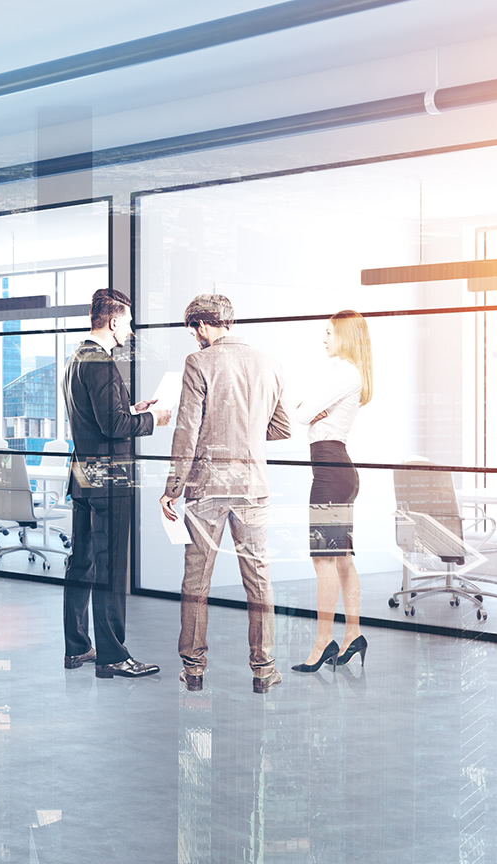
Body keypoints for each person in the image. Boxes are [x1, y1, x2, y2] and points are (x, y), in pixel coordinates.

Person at [158, 294, 290, 694]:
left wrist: (171, 489)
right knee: (259, 579)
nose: (194, 337)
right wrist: (245, 434)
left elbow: (186, 433)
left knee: (197, 579)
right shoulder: (268, 361)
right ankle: (264, 669)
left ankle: (194, 669)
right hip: (253, 488)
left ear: (201, 325)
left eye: (193, 329)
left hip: (207, 489)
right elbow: (282, 427)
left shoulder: (199, 363)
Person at [62, 288, 168, 679]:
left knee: (82, 563)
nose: (131, 329)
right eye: (128, 321)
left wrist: (131, 408)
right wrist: (153, 420)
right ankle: (112, 656)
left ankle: (77, 649)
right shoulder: (103, 363)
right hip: (109, 478)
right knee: (109, 567)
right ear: (113, 321)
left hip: (83, 474)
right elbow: (115, 426)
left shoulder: (76, 358)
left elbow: (99, 417)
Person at [291, 310, 374, 673]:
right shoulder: (348, 372)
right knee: (340, 559)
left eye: (328, 332)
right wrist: (309, 412)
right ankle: (352, 635)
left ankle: (322, 643)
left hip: (330, 473)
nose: (323, 338)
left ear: (344, 335)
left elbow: (302, 412)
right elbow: (307, 413)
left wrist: (309, 410)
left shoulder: (344, 372)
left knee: (323, 561)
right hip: (336, 470)